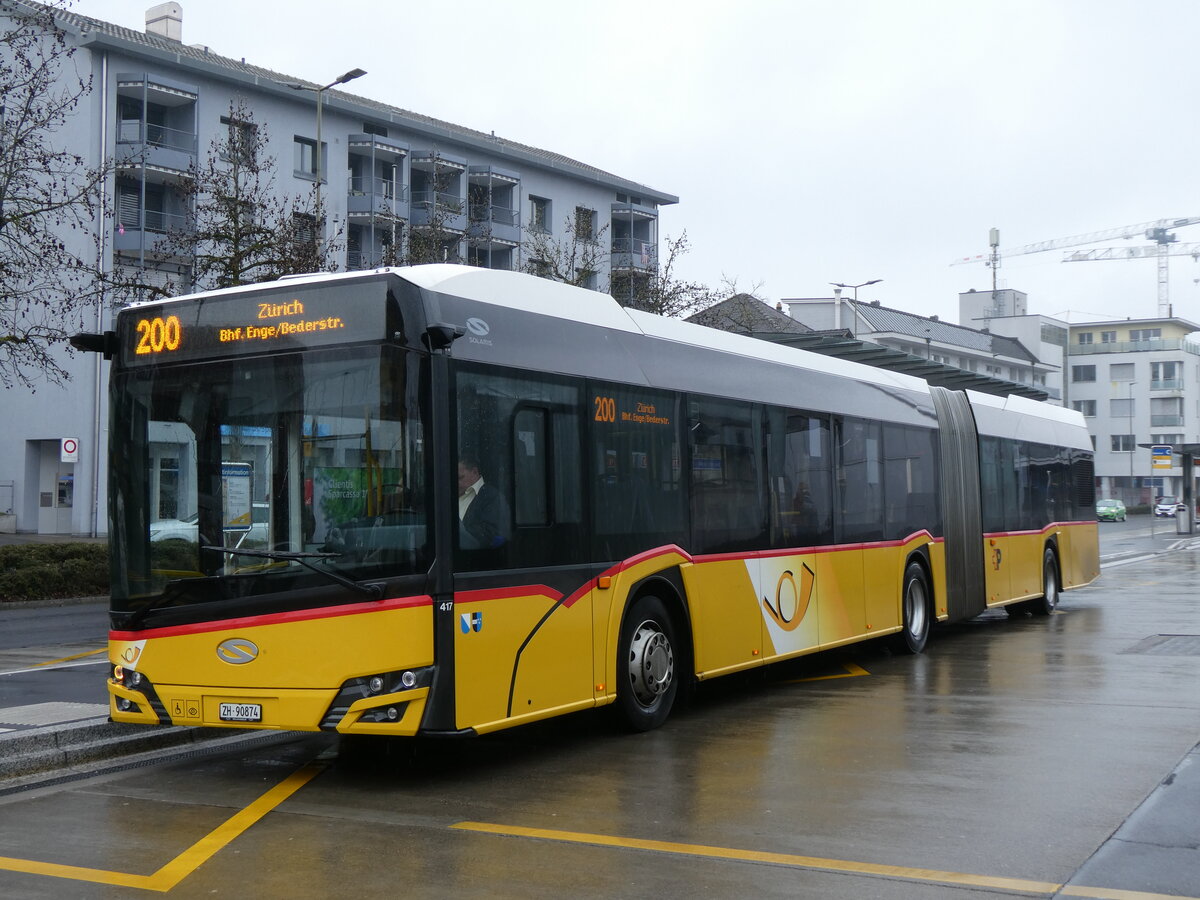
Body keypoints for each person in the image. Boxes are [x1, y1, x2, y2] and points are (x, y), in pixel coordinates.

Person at [458, 457, 510, 550]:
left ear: (474, 472)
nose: (456, 482)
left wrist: (459, 533)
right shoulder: (448, 493)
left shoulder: (492, 497)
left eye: (460, 478)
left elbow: (491, 534)